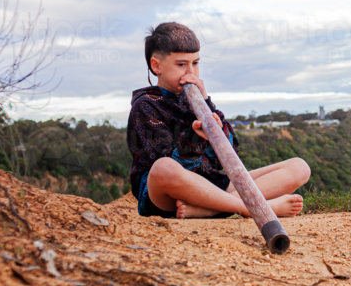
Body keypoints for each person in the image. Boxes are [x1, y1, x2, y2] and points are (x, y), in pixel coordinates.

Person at [127, 22, 308, 219]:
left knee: (299, 168)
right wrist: (194, 140)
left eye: (195, 63)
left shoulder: (198, 99)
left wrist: (206, 103)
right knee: (163, 168)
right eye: (181, 64)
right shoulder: (145, 106)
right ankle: (255, 208)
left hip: (211, 184)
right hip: (167, 195)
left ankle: (209, 210)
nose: (191, 73)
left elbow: (231, 155)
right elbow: (167, 164)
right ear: (156, 66)